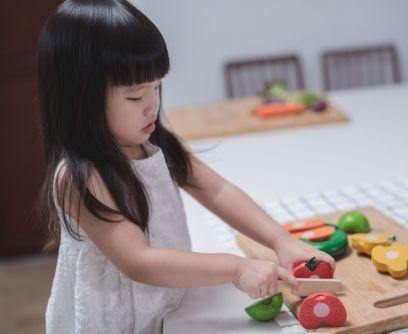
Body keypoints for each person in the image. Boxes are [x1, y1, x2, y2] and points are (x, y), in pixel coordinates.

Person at [37, 1, 335, 333]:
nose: (153, 106)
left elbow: (217, 190)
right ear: (80, 100)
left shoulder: (152, 144)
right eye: (136, 97)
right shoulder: (81, 177)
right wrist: (235, 268)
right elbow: (140, 263)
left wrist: (281, 241)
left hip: (168, 305)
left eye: (157, 86)